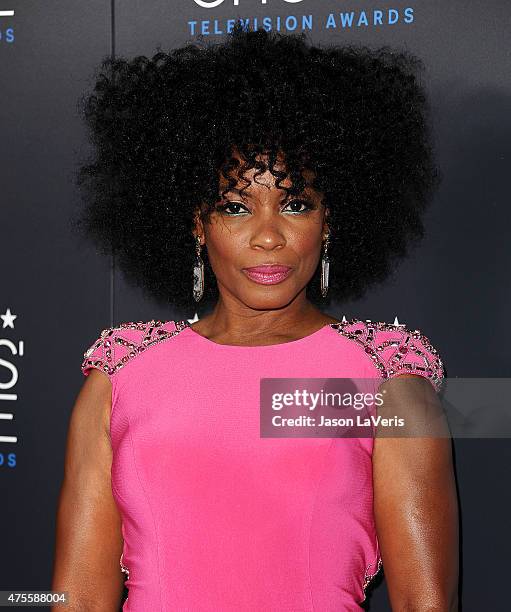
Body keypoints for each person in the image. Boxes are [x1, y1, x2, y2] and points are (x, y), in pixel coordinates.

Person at [52, 23, 459, 611]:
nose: (268, 235)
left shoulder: (388, 383)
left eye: (295, 204)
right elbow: (77, 600)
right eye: (236, 207)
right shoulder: (121, 377)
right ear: (196, 221)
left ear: (329, 219)